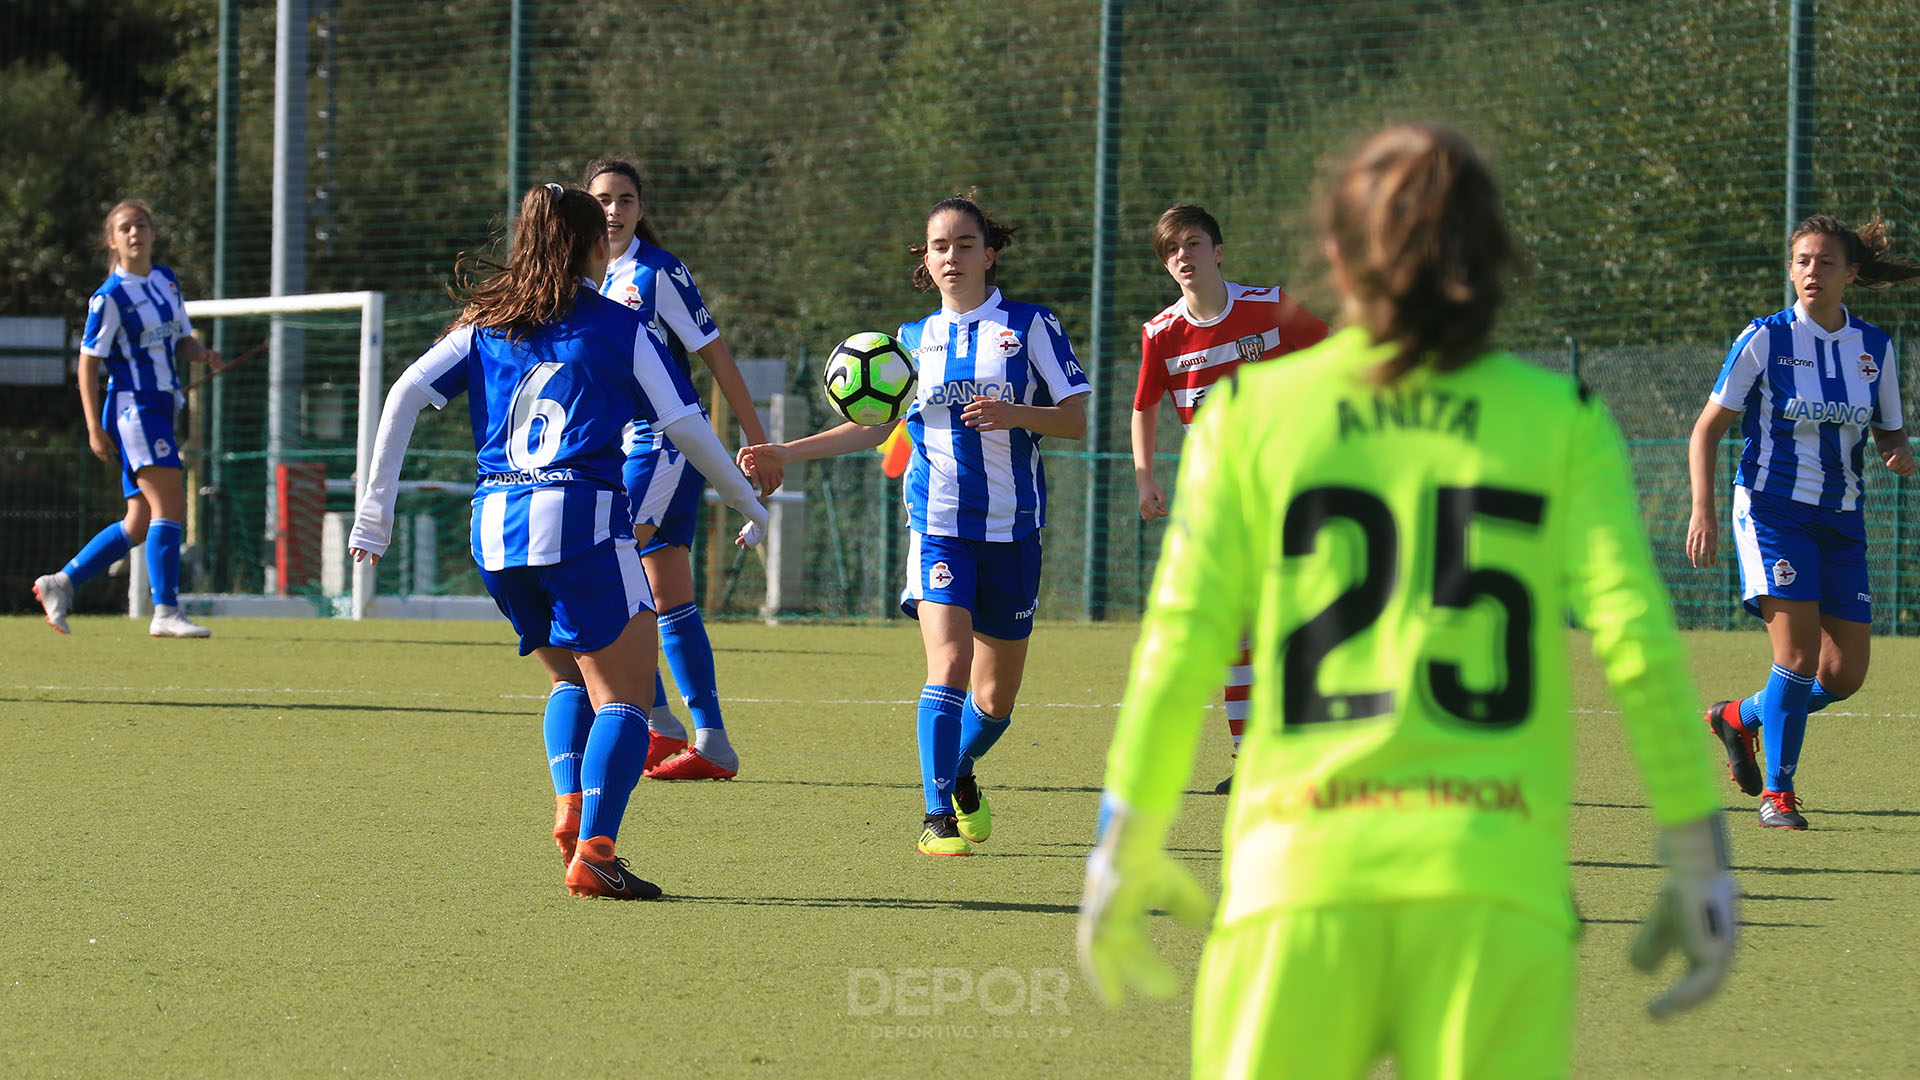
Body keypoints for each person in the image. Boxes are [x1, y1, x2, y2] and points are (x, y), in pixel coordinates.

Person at [1078, 125, 1737, 1079]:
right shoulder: (1563, 421)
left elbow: (1179, 646)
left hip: (1296, 889)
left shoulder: (1248, 419)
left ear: (1337, 255)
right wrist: (1697, 848)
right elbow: (1637, 645)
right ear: (1492, 252)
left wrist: (1123, 841)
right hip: (1495, 891)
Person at [347, 183, 768, 900]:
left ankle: (572, 810)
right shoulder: (617, 324)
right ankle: (598, 853)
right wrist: (748, 500)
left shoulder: (486, 323)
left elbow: (403, 394)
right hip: (579, 521)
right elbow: (689, 426)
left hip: (495, 529)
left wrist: (372, 516)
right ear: (593, 245)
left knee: (568, 678)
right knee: (627, 701)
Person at [739, 193, 1090, 856]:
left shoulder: (1030, 325)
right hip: (939, 525)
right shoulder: (907, 341)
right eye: (939, 247)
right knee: (949, 661)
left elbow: (1074, 417)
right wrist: (785, 452)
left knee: (996, 700)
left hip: (1015, 531)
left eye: (964, 244)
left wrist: (1018, 414)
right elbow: (875, 424)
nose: (951, 257)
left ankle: (958, 772)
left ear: (989, 254)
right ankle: (936, 817)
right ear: (924, 262)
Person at [1687, 215, 1918, 830]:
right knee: (1797, 653)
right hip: (1770, 510)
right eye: (1802, 261)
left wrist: (1898, 451)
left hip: (1842, 517)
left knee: (1844, 675)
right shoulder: (1765, 339)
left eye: (1825, 261)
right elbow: (1707, 428)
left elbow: (1889, 429)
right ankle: (1779, 795)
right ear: (1791, 269)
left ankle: (1739, 717)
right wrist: (1704, 509)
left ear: (1851, 272)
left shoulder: (1875, 349)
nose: (1812, 272)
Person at [584, 157, 781, 782]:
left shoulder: (656, 272)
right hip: (622, 446)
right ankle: (705, 740)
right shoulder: (585, 278)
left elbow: (715, 356)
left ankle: (655, 719)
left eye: (625, 199)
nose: (613, 210)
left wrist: (758, 441)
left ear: (643, 209)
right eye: (603, 200)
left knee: (604, 568)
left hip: (663, 442)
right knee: (666, 592)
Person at [1132, 204, 1328, 795]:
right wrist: (1145, 478)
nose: (1183, 257)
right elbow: (1143, 406)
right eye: (1171, 251)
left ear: (1218, 251)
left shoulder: (1269, 306)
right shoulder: (1161, 333)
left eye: (1192, 244)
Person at [34, 199, 226, 638]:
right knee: (171, 504)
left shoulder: (166, 281)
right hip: (132, 409)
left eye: (141, 224)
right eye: (125, 228)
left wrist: (202, 354)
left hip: (161, 405)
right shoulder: (109, 298)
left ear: (153, 233)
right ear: (113, 240)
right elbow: (87, 364)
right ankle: (165, 611)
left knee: (139, 520)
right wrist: (92, 427)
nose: (135, 233)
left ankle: (60, 582)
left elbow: (182, 339)